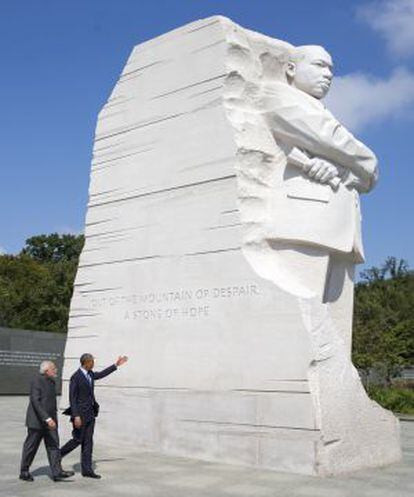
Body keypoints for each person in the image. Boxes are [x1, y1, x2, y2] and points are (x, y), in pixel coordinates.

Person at [259, 45, 379, 353]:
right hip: (305, 222)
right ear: (290, 69)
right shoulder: (276, 95)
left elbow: (360, 174)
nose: (328, 75)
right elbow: (327, 137)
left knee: (337, 339)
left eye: (331, 69)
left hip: (341, 228)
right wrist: (365, 162)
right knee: (301, 330)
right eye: (319, 66)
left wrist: (342, 167)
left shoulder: (323, 110)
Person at [60, 353, 128, 478]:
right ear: (85, 363)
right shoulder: (76, 377)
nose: (93, 364)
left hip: (90, 414)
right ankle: (58, 455)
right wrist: (76, 416)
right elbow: (72, 398)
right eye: (92, 362)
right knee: (77, 439)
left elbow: (101, 374)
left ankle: (87, 470)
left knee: (88, 442)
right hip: (80, 415)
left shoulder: (90, 374)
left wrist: (116, 365)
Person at [19, 360, 74, 482]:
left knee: (53, 446)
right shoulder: (37, 380)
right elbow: (35, 401)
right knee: (31, 447)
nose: (56, 370)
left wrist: (52, 419)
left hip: (51, 422)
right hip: (37, 422)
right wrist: (47, 418)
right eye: (53, 368)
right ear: (46, 370)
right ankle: (24, 472)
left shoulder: (51, 381)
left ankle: (57, 473)